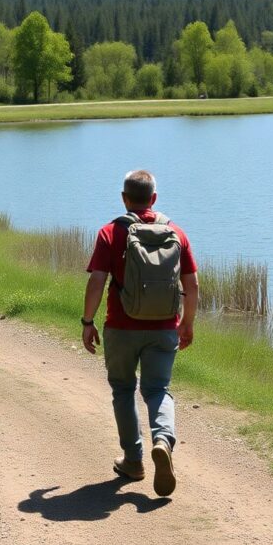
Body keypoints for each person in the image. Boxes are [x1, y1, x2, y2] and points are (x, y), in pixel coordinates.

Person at [81, 170, 199, 497]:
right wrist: (186, 323)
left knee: (123, 389)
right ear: (154, 198)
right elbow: (191, 285)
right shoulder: (176, 232)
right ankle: (162, 440)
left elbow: (96, 281)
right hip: (163, 328)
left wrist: (87, 321)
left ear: (124, 198)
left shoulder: (110, 233)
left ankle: (134, 460)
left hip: (121, 327)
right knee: (158, 389)